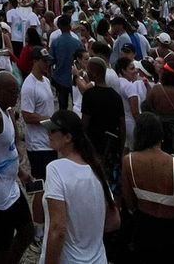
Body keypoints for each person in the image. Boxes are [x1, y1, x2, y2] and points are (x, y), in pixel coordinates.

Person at [38, 109, 113, 264]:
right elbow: (114, 220)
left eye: (53, 130)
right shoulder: (97, 170)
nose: (48, 134)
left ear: (68, 137)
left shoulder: (56, 169)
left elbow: (58, 230)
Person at [119, 112, 174, 263]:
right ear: (160, 135)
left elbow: (129, 202)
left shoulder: (128, 162)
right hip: (173, 230)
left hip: (143, 227)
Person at [0, 73, 33, 264]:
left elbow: (8, 148)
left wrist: (20, 172)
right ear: (0, 91)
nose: (16, 97)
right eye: (13, 92)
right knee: (0, 248)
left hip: (11, 188)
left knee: (27, 231)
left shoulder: (6, 111)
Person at [21, 49, 58, 178]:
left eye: (48, 61)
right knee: (41, 184)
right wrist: (51, 121)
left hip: (50, 142)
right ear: (35, 61)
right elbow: (27, 116)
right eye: (44, 61)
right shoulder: (29, 86)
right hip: (38, 145)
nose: (47, 64)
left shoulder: (46, 81)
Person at [50, 16, 82, 111]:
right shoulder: (77, 42)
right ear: (70, 26)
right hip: (75, 78)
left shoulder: (55, 43)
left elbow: (51, 61)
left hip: (60, 78)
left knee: (62, 105)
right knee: (76, 104)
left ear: (59, 27)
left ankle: (63, 123)